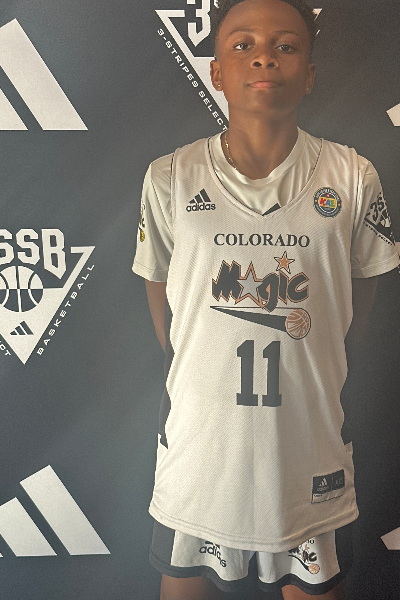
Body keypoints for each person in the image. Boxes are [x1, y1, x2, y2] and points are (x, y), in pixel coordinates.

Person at [132, 1, 399, 598]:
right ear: (216, 71)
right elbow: (164, 305)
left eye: (285, 45)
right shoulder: (170, 177)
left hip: (307, 440)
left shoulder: (352, 176)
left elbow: (358, 306)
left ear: (309, 72)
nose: (264, 58)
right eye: (242, 44)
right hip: (203, 441)